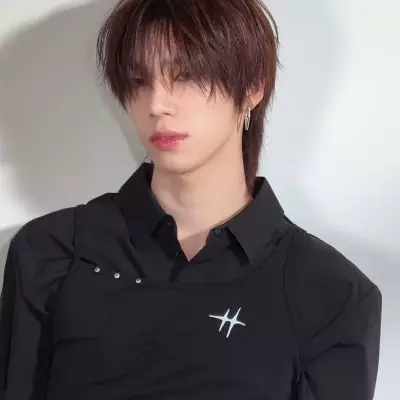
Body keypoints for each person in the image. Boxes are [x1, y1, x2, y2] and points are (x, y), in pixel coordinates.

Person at [0, 0, 382, 399]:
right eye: (139, 81)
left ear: (253, 87)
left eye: (186, 75)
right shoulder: (51, 252)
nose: (156, 104)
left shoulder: (330, 294)